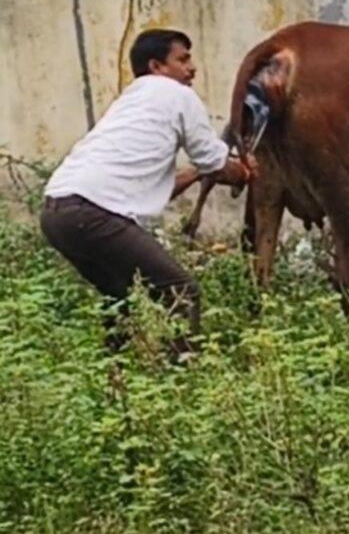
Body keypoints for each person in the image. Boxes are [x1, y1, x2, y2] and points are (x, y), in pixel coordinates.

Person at [40, 29, 254, 359]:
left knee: (120, 295)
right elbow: (215, 161)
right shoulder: (177, 95)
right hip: (92, 212)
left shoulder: (133, 100)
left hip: (57, 212)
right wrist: (245, 171)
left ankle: (115, 376)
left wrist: (197, 173)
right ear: (156, 66)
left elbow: (157, 187)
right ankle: (182, 375)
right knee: (181, 290)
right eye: (182, 60)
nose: (192, 68)